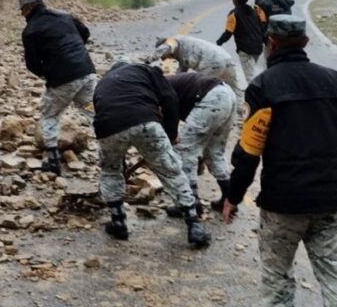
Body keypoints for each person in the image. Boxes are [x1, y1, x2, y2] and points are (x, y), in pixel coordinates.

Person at [222, 14, 337, 307]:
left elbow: (249, 152)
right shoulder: (335, 81)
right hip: (331, 200)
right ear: (306, 42)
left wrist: (233, 196)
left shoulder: (262, 87)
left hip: (282, 204)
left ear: (270, 43)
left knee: (277, 280)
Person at [92, 58, 212, 248]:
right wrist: (171, 133)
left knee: (111, 171)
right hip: (145, 121)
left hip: (108, 127)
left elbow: (101, 110)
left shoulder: (102, 83)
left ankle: (118, 221)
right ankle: (194, 225)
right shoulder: (144, 70)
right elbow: (170, 97)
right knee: (171, 171)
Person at [20, 0, 97, 176]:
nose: (22, 14)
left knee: (50, 115)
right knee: (93, 111)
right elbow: (85, 33)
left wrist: (48, 72)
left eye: (22, 10)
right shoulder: (64, 16)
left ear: (29, 8)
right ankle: (113, 153)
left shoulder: (30, 31)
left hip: (62, 81)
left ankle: (53, 161)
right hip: (87, 73)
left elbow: (32, 64)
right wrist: (76, 53)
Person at [164, 71, 237, 217]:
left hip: (210, 99)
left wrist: (171, 136)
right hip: (227, 95)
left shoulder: (156, 90)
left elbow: (168, 118)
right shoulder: (164, 83)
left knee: (184, 150)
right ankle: (229, 199)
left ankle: (191, 204)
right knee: (214, 152)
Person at [153, 35, 241, 99]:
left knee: (202, 89)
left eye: (167, 56)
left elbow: (167, 48)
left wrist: (151, 59)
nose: (169, 58)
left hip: (211, 63)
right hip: (226, 58)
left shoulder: (173, 41)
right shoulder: (183, 47)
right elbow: (181, 72)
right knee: (234, 89)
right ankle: (242, 112)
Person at [216, 0, 268, 87]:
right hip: (258, 47)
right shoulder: (256, 9)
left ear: (235, 0)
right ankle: (260, 88)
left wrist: (218, 42)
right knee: (253, 70)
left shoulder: (233, 14)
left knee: (250, 77)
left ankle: (255, 93)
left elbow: (228, 32)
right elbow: (264, 24)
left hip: (245, 50)